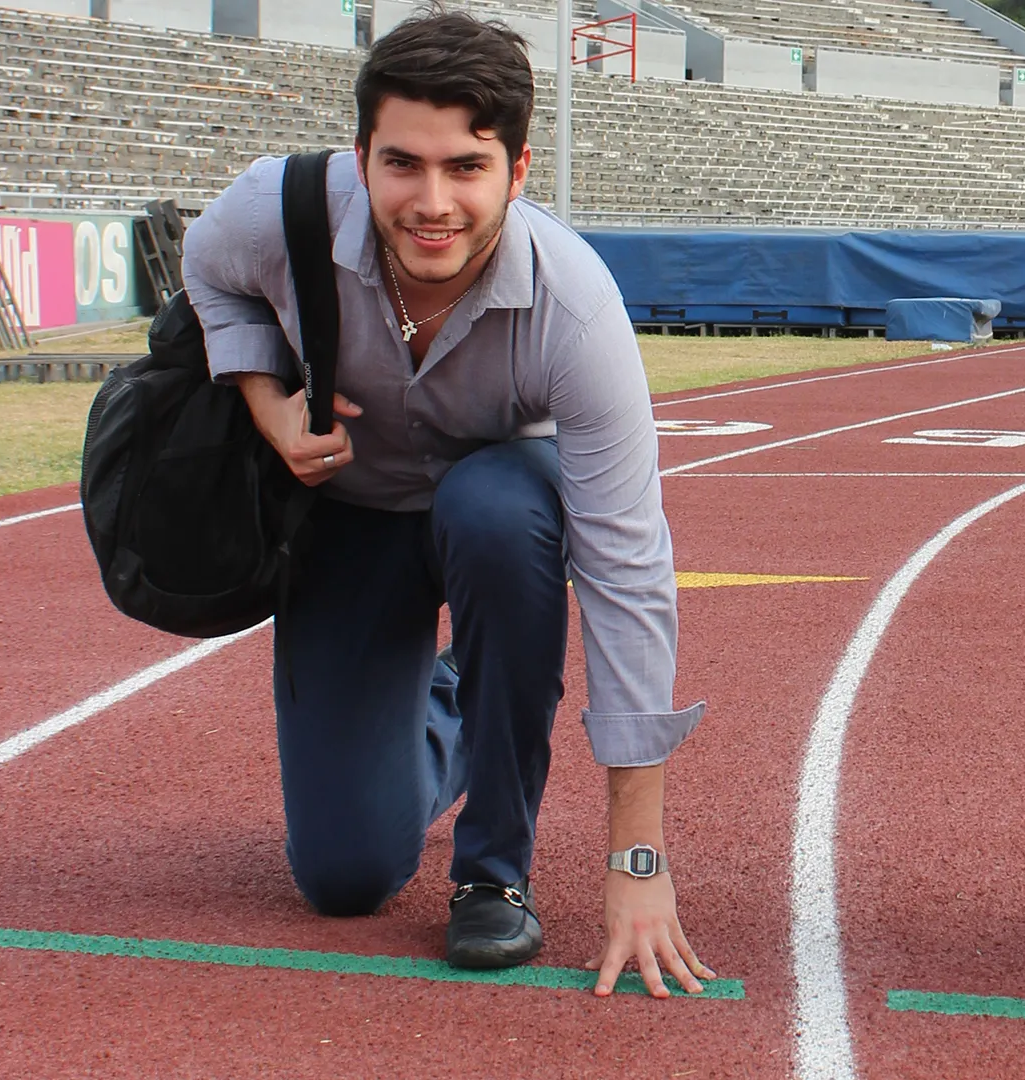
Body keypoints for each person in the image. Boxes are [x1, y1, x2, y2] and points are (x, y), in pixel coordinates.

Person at [179, 11, 714, 999]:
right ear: (361, 157)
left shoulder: (577, 312)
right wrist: (270, 404)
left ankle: (495, 876)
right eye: (403, 165)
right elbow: (210, 278)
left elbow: (628, 569)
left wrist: (637, 861)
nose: (432, 202)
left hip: (500, 512)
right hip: (352, 512)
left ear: (515, 173)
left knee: (498, 508)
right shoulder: (273, 208)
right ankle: (467, 685)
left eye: (466, 168)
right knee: (343, 878)